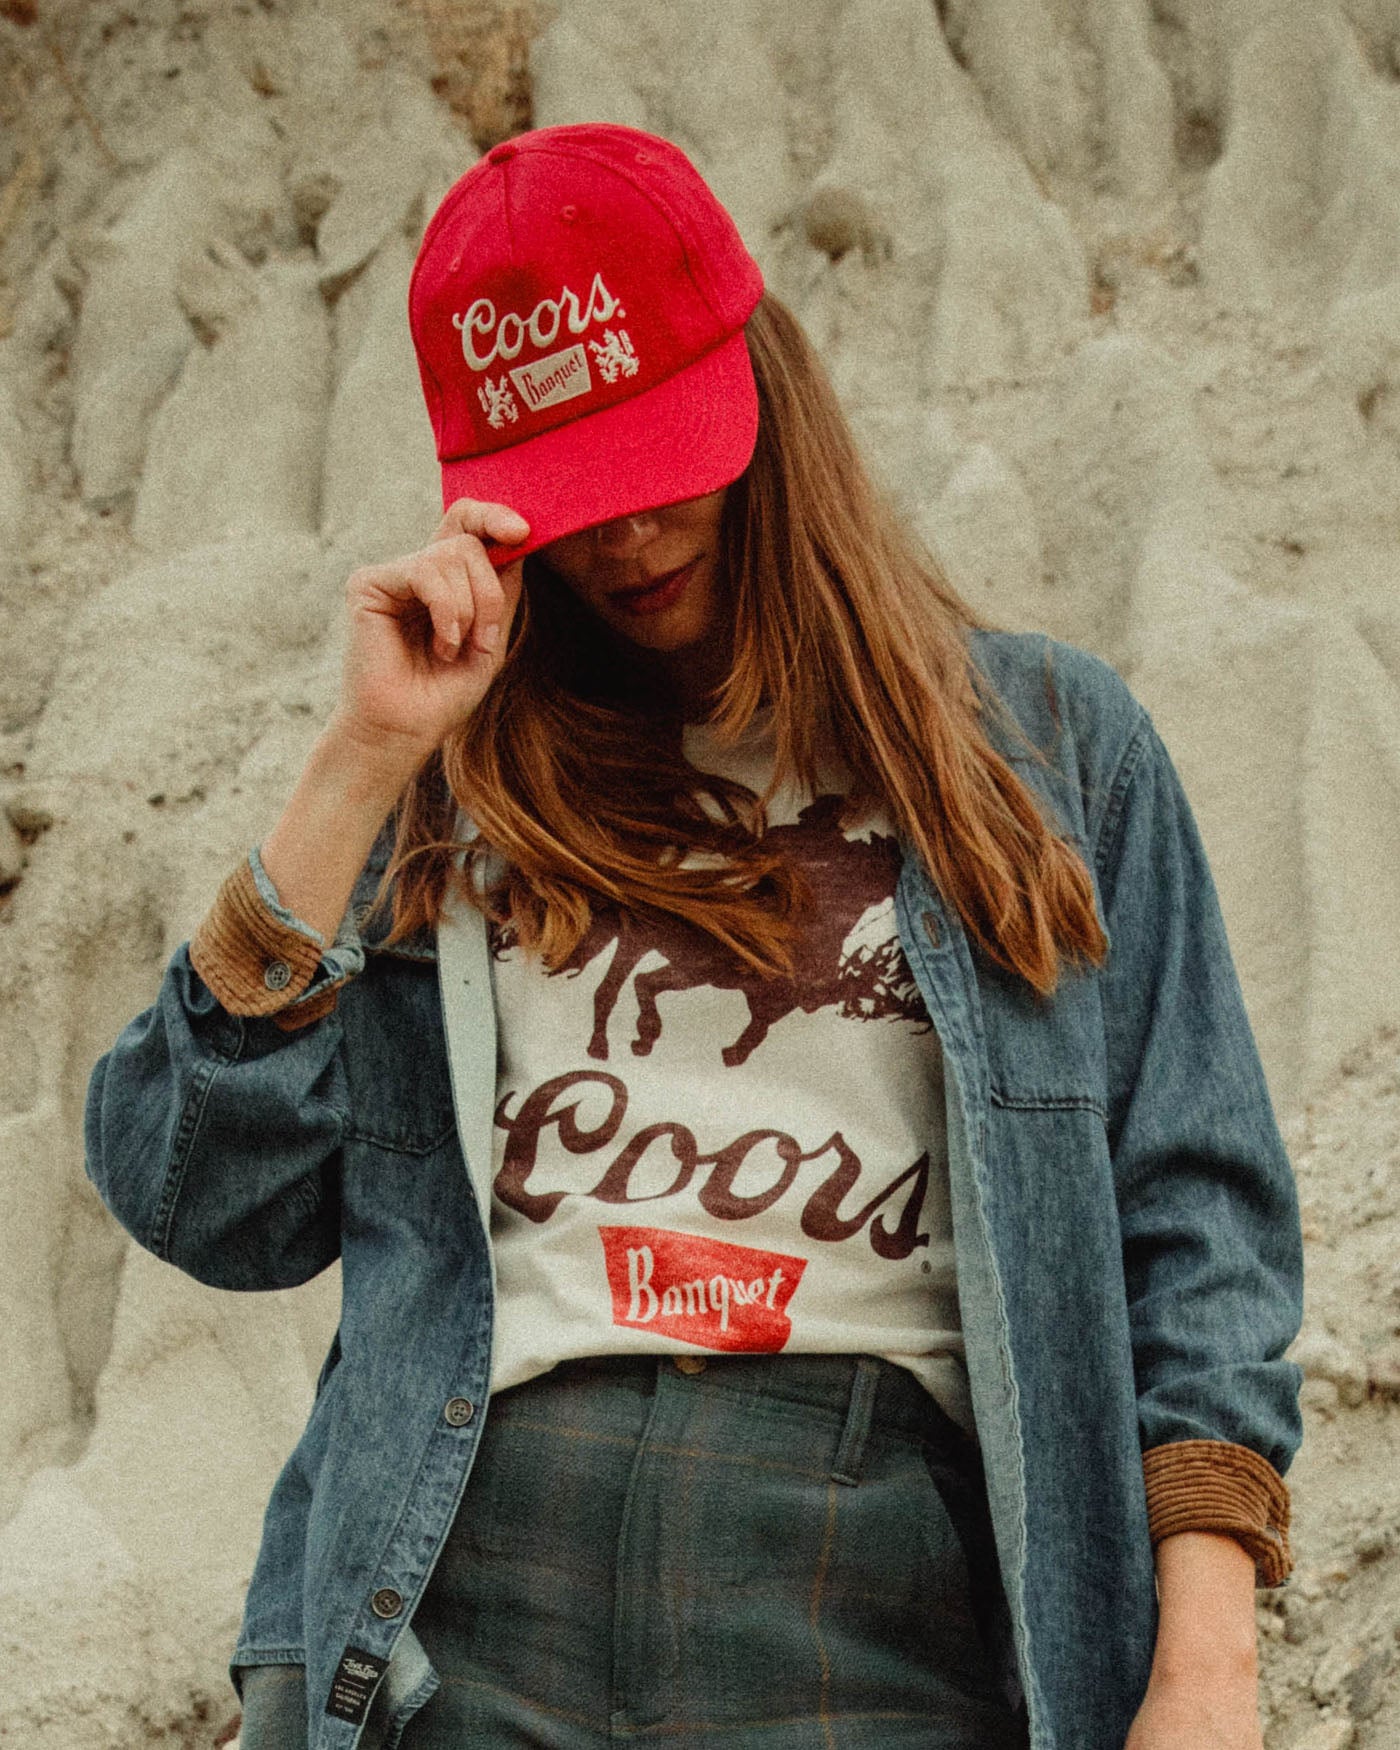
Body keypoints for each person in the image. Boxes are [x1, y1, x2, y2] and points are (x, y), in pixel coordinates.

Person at [84, 123, 1304, 1750]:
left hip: (873, 1579)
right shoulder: (454, 793)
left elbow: (1198, 1227)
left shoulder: (1054, 755)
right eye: (572, 496)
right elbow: (195, 1194)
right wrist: (364, 759)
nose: (628, 538)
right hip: (464, 1572)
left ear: (765, 395)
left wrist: (1207, 1666)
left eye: (661, 465)